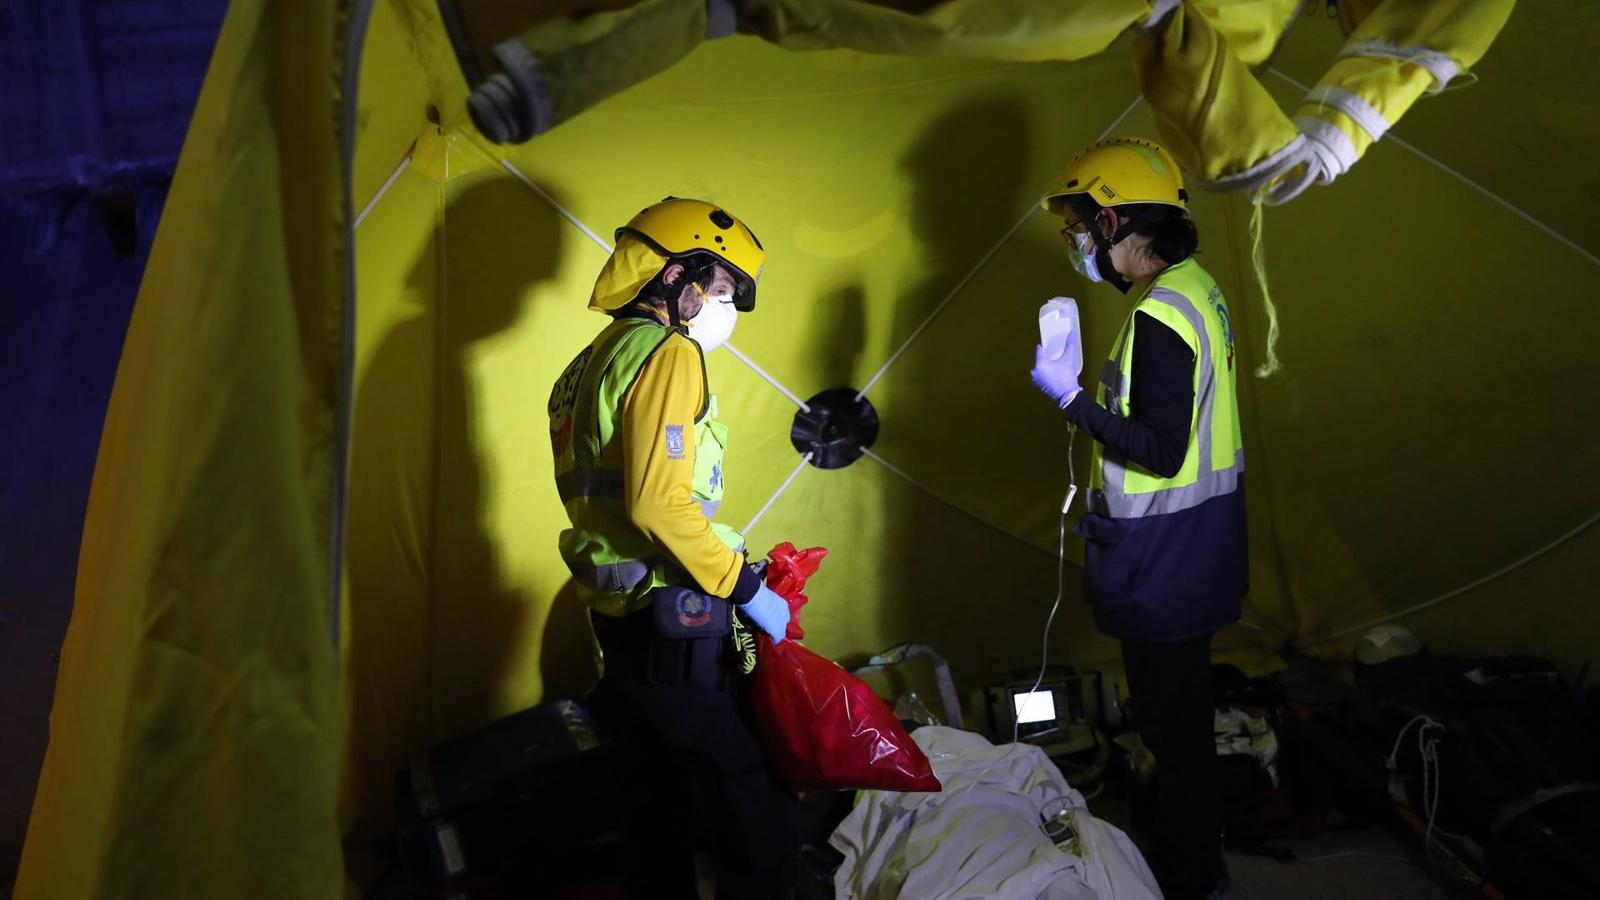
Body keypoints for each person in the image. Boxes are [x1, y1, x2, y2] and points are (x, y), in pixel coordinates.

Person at [549, 196, 799, 898]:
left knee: (650, 793)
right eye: (719, 288)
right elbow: (659, 503)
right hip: (671, 608)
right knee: (737, 782)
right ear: (675, 274)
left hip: (615, 608)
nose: (723, 308)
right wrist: (746, 587)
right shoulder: (668, 352)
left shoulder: (586, 364)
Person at [1029, 138, 1248, 900]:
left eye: (1077, 225)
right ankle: (1197, 858)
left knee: (1173, 731)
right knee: (1184, 723)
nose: (1074, 241)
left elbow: (1160, 448)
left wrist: (1071, 399)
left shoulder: (1159, 316)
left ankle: (1193, 876)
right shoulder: (1197, 289)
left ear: (1114, 220)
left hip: (1165, 555)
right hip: (1201, 544)